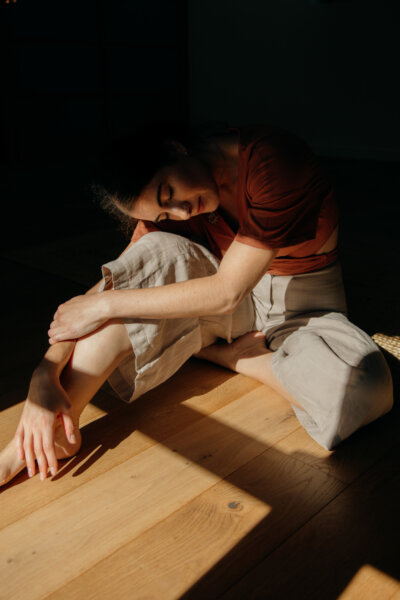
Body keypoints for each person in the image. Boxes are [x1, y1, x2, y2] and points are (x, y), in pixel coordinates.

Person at [0, 123, 393, 486]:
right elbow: (107, 290)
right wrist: (44, 374)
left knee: (366, 388)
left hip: (304, 306)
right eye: (163, 211)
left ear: (176, 148)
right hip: (227, 305)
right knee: (152, 255)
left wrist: (106, 304)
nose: (182, 212)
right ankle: (49, 434)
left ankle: (235, 358)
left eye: (169, 193)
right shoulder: (172, 214)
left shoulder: (273, 161)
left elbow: (226, 292)